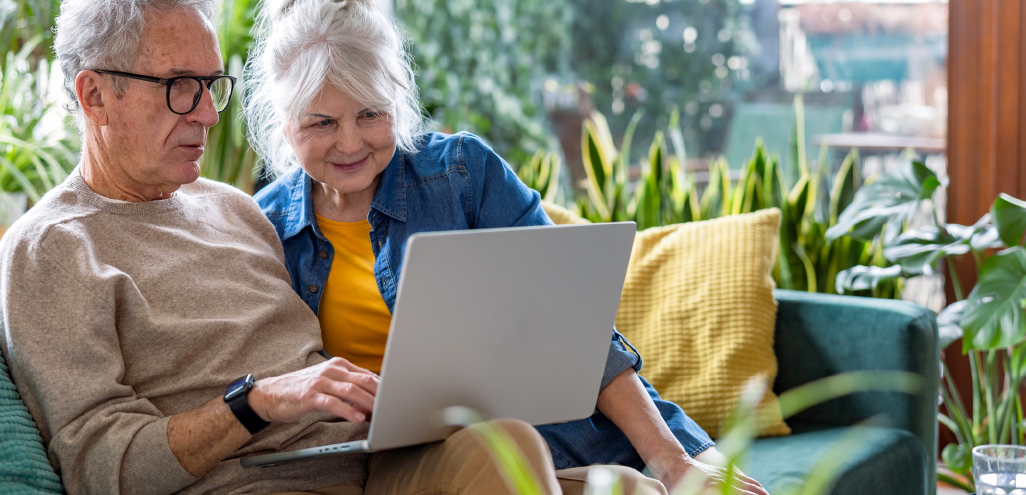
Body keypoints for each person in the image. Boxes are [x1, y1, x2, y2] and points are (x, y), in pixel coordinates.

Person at [0, 0, 617, 493]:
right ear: (95, 95)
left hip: (369, 465)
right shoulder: (49, 252)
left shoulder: (232, 209)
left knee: (594, 470)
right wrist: (256, 402)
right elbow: (102, 469)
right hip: (256, 486)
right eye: (179, 86)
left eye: (211, 85)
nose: (206, 114)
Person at [245, 1, 767, 494]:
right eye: (322, 122)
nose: (352, 142)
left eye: (370, 114)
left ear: (397, 103)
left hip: (566, 431)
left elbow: (578, 327)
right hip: (407, 459)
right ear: (284, 123)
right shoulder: (261, 226)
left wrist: (672, 459)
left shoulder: (462, 173)